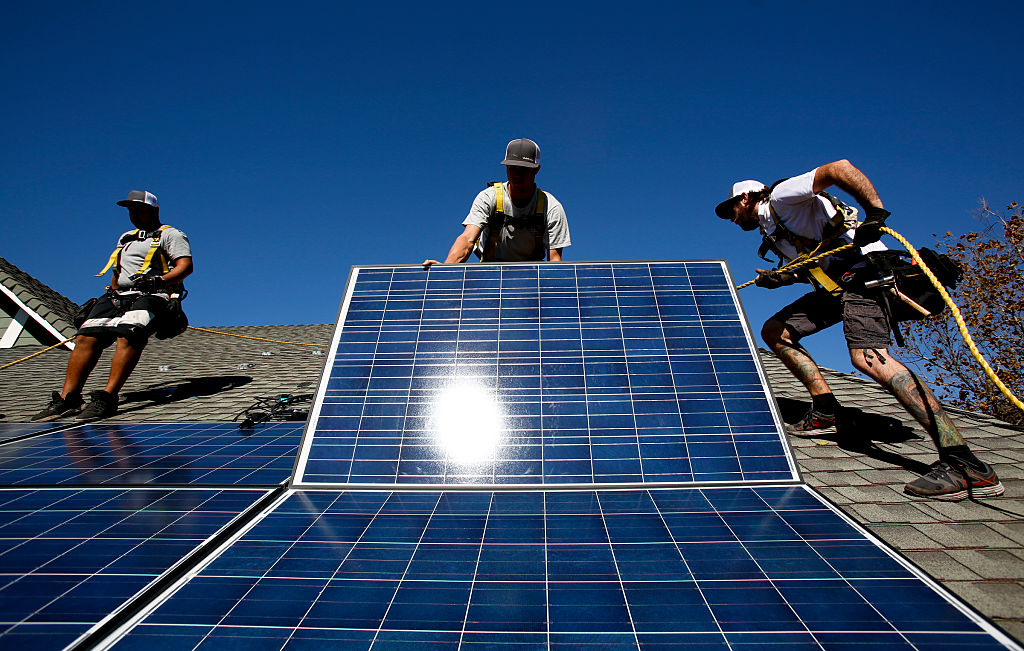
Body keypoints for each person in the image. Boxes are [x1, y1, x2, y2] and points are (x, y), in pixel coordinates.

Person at [716, 160, 1003, 501]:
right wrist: (782, 277)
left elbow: (838, 168)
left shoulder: (780, 197)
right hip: (838, 288)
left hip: (866, 274)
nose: (732, 217)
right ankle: (826, 411)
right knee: (776, 330)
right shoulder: (774, 232)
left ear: (747, 198)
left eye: (732, 208)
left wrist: (875, 215)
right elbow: (816, 262)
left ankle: (966, 464)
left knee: (869, 359)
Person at [32, 190, 193, 422]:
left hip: (153, 293)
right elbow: (118, 271)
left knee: (129, 334)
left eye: (140, 209)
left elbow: (185, 266)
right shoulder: (126, 237)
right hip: (119, 295)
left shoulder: (171, 235)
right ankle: (70, 398)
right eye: (131, 210)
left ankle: (108, 397)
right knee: (86, 336)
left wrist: (159, 281)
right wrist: (111, 292)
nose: (135, 214)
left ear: (154, 210)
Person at [423, 138, 570, 266]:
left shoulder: (551, 207)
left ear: (536, 169)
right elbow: (467, 238)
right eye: (512, 168)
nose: (517, 175)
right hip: (491, 271)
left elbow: (555, 260)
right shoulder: (489, 197)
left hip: (532, 274)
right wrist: (445, 271)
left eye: (524, 169)